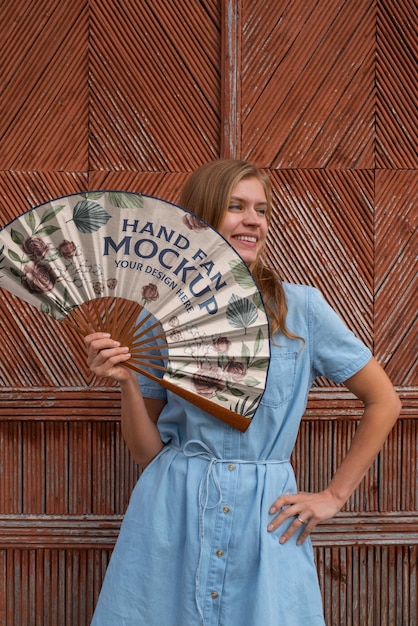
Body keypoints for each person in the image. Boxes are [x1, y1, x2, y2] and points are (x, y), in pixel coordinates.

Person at [86, 159, 401, 625]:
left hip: (266, 519)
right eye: (235, 207)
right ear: (198, 220)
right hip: (172, 514)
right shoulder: (157, 317)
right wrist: (129, 381)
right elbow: (146, 451)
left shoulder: (301, 310)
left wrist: (334, 496)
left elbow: (384, 399)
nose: (253, 219)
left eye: (261, 209)